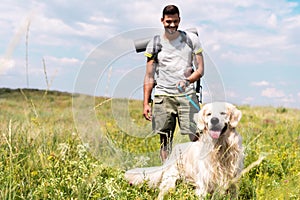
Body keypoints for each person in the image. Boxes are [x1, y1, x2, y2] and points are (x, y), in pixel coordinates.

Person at [143, 5, 204, 162]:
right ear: (162, 20)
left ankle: (198, 173)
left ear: (179, 20)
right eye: (168, 21)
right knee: (164, 140)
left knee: (196, 137)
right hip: (163, 96)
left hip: (188, 95)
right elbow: (149, 76)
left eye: (175, 21)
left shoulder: (192, 40)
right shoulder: (155, 44)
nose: (172, 25)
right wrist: (146, 103)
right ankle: (166, 173)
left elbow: (200, 70)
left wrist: (187, 81)